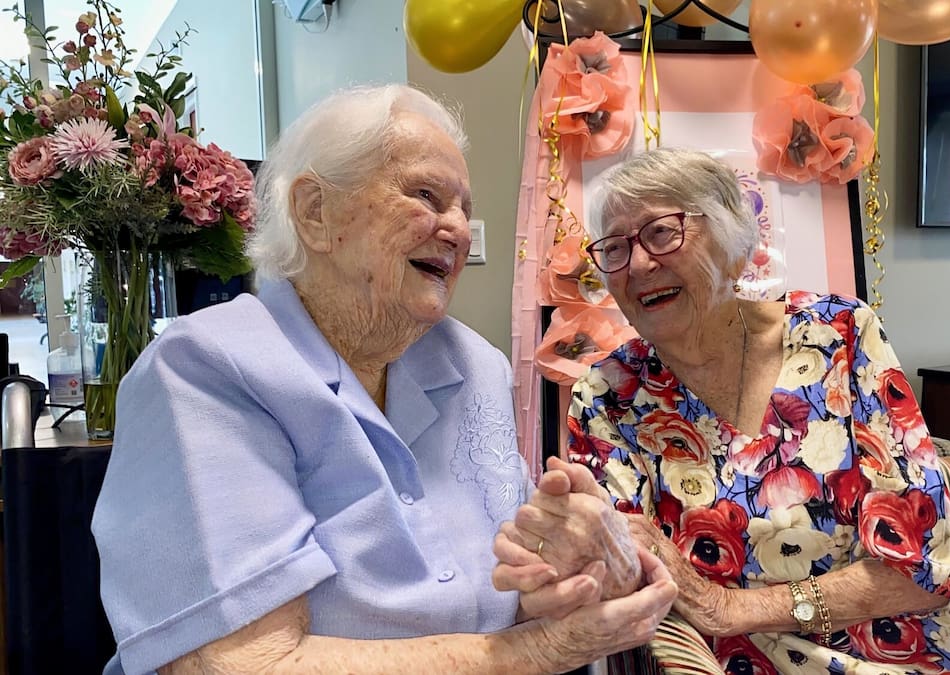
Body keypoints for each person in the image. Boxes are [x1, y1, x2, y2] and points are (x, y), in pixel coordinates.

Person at [496, 147, 950, 674]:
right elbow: (625, 557)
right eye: (614, 248)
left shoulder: (839, 335)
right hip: (781, 656)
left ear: (733, 236)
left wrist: (737, 605)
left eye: (661, 233)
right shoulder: (607, 394)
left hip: (945, 618)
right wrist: (570, 546)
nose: (637, 265)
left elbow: (924, 562)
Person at [90, 84, 677, 675]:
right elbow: (243, 663)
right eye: (426, 196)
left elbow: (503, 595)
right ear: (315, 212)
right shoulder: (204, 370)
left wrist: (568, 567)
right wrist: (536, 653)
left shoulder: (476, 365)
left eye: (462, 209)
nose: (456, 229)